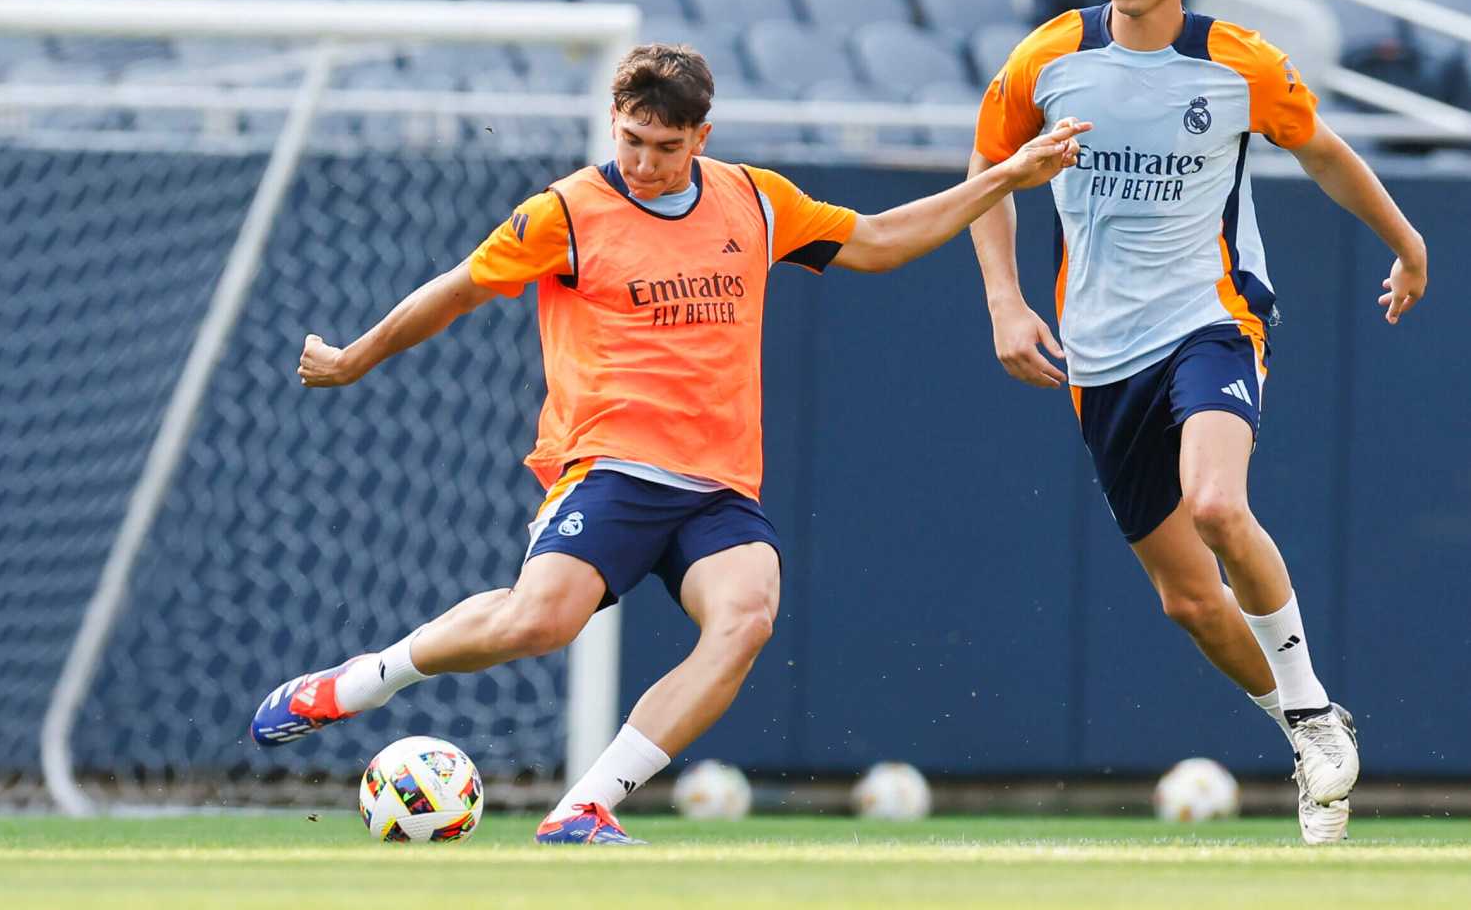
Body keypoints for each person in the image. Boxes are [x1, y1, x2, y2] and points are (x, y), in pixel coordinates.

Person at [251, 43, 1089, 844]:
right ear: (612, 122)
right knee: (537, 623)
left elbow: (877, 242)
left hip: (720, 484)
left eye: (665, 146)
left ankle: (584, 808)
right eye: (631, 141)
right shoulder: (566, 211)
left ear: (701, 137)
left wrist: (1010, 176)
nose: (645, 162)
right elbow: (457, 290)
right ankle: (360, 681)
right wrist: (356, 356)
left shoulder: (753, 199)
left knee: (746, 617)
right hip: (612, 464)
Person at [966, 0, 1428, 844]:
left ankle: (1304, 708)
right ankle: (1309, 727)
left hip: (1210, 316)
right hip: (1096, 350)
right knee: (1185, 601)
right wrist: (1005, 302)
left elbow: (1321, 150)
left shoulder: (1238, 65)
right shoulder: (1046, 60)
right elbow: (988, 172)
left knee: (1217, 503)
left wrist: (1406, 241)